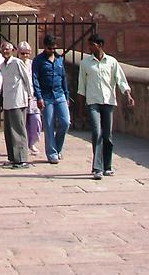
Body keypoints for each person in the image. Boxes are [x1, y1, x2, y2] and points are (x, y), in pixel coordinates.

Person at [78, 34, 134, 180]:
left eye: (92, 45)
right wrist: (80, 104)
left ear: (100, 45)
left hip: (108, 100)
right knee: (97, 133)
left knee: (107, 135)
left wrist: (127, 94)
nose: (90, 48)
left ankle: (107, 166)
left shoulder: (111, 62)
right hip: (93, 101)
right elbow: (81, 85)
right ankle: (97, 167)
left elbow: (120, 79)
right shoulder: (85, 63)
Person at [32, 33, 70, 164]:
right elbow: (35, 79)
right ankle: (52, 153)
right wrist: (39, 97)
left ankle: (57, 148)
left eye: (54, 48)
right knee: (48, 125)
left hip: (60, 94)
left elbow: (64, 77)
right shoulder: (38, 60)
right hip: (46, 96)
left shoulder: (59, 59)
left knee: (65, 122)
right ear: (45, 47)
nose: (52, 51)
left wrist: (67, 95)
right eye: (50, 48)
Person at [0, 41, 31, 169]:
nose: (5, 51)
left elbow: (27, 79)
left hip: (18, 100)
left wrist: (30, 96)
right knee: (9, 131)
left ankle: (22, 159)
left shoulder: (17, 63)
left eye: (8, 49)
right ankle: (13, 158)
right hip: (7, 101)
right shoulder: (2, 65)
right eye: (3, 49)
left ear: (12, 50)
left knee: (18, 130)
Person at [17, 42, 42, 156]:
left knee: (36, 120)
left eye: (27, 53)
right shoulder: (15, 63)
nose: (25, 55)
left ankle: (32, 142)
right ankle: (24, 144)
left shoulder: (33, 64)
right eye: (23, 53)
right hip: (19, 95)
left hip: (32, 95)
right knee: (22, 122)